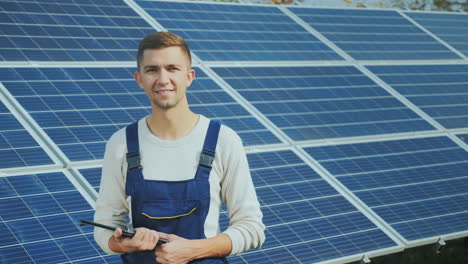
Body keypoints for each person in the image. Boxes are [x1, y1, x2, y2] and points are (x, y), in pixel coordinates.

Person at [93, 31, 265, 264]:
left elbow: (252, 228)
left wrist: (194, 249)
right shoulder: (120, 143)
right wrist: (123, 243)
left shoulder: (223, 140)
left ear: (189, 76)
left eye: (172, 68)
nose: (163, 79)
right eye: (152, 69)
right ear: (139, 79)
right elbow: (106, 226)